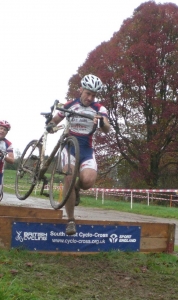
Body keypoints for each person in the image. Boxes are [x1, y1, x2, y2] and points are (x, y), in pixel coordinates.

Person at [47, 74, 110, 235]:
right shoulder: (70, 105)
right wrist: (50, 125)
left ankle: (76, 188)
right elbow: (55, 120)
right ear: (81, 90)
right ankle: (71, 220)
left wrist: (102, 122)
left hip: (86, 149)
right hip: (69, 148)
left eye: (93, 95)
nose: (90, 98)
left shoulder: (99, 108)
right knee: (69, 176)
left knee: (88, 182)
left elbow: (107, 127)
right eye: (87, 93)